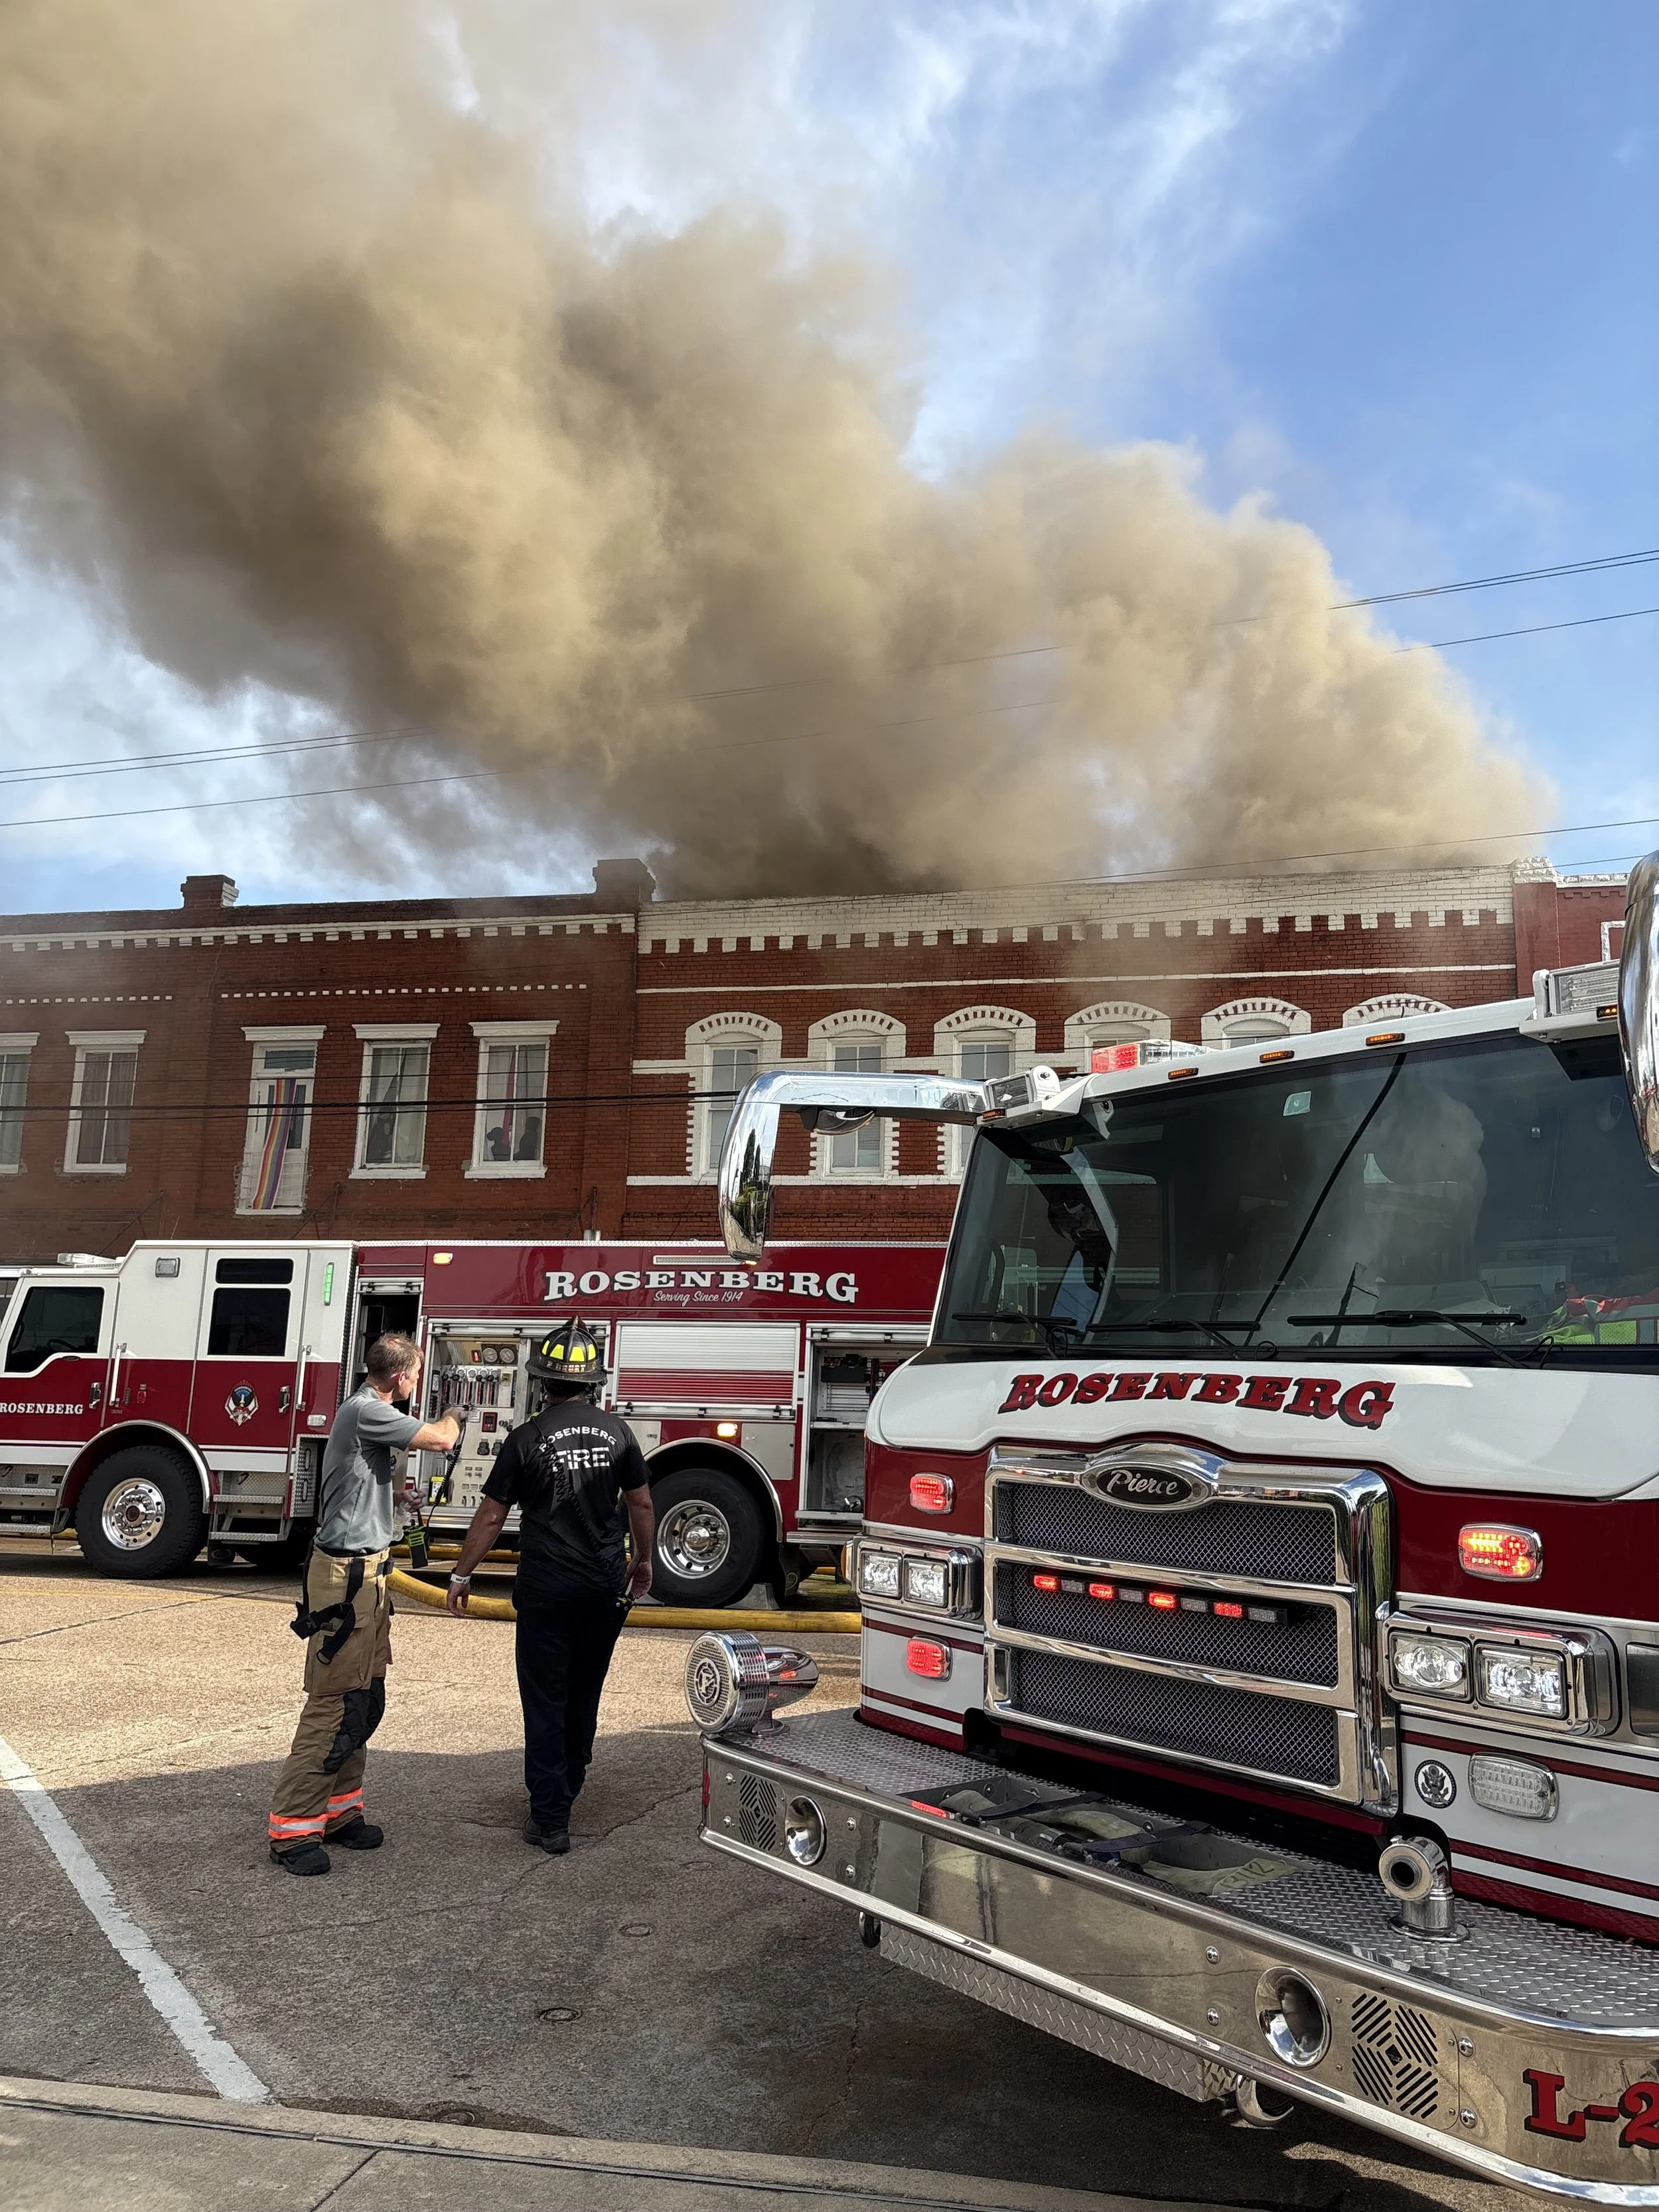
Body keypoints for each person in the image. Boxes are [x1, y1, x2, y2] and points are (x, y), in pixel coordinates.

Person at [445, 1319, 654, 1855]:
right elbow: (640, 1503)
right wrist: (643, 1559)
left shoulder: (526, 1438)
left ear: (542, 1381)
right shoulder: (619, 1433)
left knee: (545, 1700)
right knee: (585, 1693)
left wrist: (462, 1573)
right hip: (604, 1587)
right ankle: (568, 1789)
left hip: (546, 1590)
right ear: (593, 1383)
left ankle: (551, 1816)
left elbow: (492, 1516)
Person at [267, 1332, 462, 1876]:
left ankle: (338, 1813)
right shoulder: (367, 1410)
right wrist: (456, 1412)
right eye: (416, 1374)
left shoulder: (368, 1415)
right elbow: (442, 1439)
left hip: (368, 1575)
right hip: (345, 1581)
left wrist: (396, 1497)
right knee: (335, 1704)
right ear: (400, 1377)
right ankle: (291, 1830)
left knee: (364, 1698)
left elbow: (356, 1481)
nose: (417, 1382)